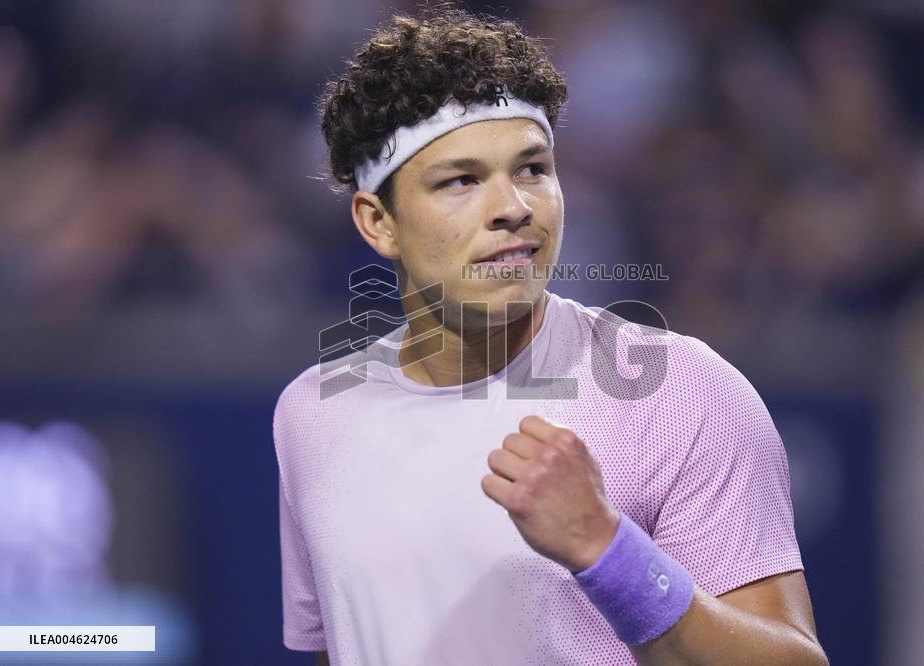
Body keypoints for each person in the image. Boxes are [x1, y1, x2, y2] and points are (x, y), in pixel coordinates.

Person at [274, 6, 828, 665]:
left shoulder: (683, 390)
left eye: (533, 169)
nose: (515, 207)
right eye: (461, 180)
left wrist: (605, 547)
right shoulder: (312, 413)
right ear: (378, 223)